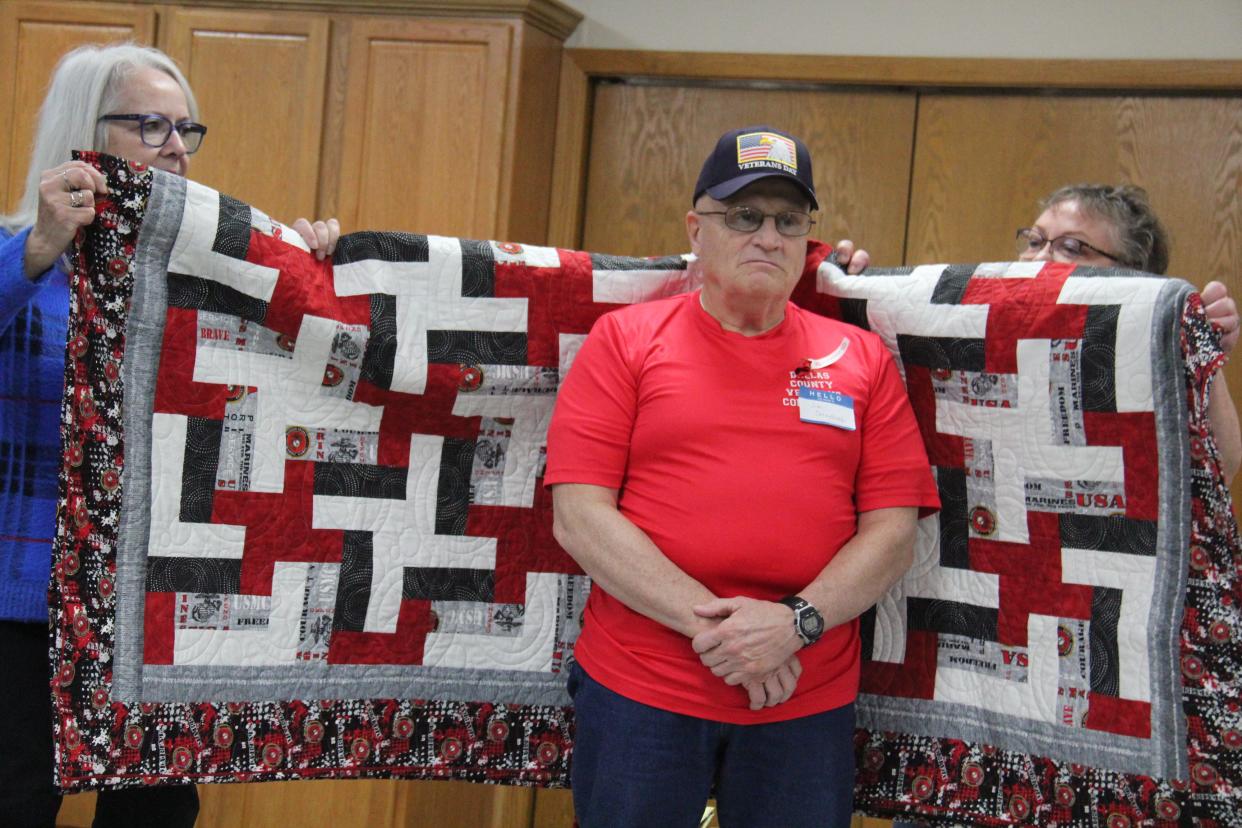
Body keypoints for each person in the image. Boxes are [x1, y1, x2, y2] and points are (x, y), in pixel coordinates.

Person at [545, 125, 940, 827]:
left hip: (803, 696)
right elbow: (580, 516)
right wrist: (731, 635)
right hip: (645, 689)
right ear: (697, 230)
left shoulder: (861, 357)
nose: (767, 237)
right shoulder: (627, 341)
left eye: (789, 221)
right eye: (744, 216)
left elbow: (893, 531)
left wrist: (794, 623)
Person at [1, 42, 338, 828]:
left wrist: (311, 276)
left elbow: (296, 398)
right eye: (150, 125)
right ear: (86, 131)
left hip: (154, 607)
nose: (177, 148)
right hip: (23, 610)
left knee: (155, 816)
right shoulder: (19, 252)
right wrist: (40, 250)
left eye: (187, 128)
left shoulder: (208, 272)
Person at [837, 183, 1242, 484]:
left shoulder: (1147, 350)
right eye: (1034, 241)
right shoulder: (972, 328)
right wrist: (845, 284)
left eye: (1070, 247)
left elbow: (1216, 468)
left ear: (1135, 275)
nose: (1039, 257)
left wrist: (1201, 353)